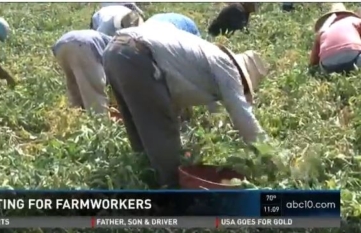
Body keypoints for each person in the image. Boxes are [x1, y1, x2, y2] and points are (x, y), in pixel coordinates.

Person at [103, 23, 269, 188]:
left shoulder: (207, 59)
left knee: (139, 133)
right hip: (137, 55)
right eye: (244, 87)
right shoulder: (227, 66)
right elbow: (242, 116)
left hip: (114, 51)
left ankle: (145, 182)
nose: (241, 89)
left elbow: (171, 102)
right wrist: (268, 152)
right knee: (162, 135)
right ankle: (172, 195)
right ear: (242, 74)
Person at [52, 30, 112, 115]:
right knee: (94, 88)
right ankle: (99, 121)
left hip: (60, 46)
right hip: (84, 45)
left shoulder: (110, 39)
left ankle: (76, 116)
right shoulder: (116, 46)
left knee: (74, 86)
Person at [309, 3, 361, 75]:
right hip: (354, 59)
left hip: (328, 68)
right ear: (347, 14)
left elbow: (313, 61)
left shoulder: (323, 30)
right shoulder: (353, 20)